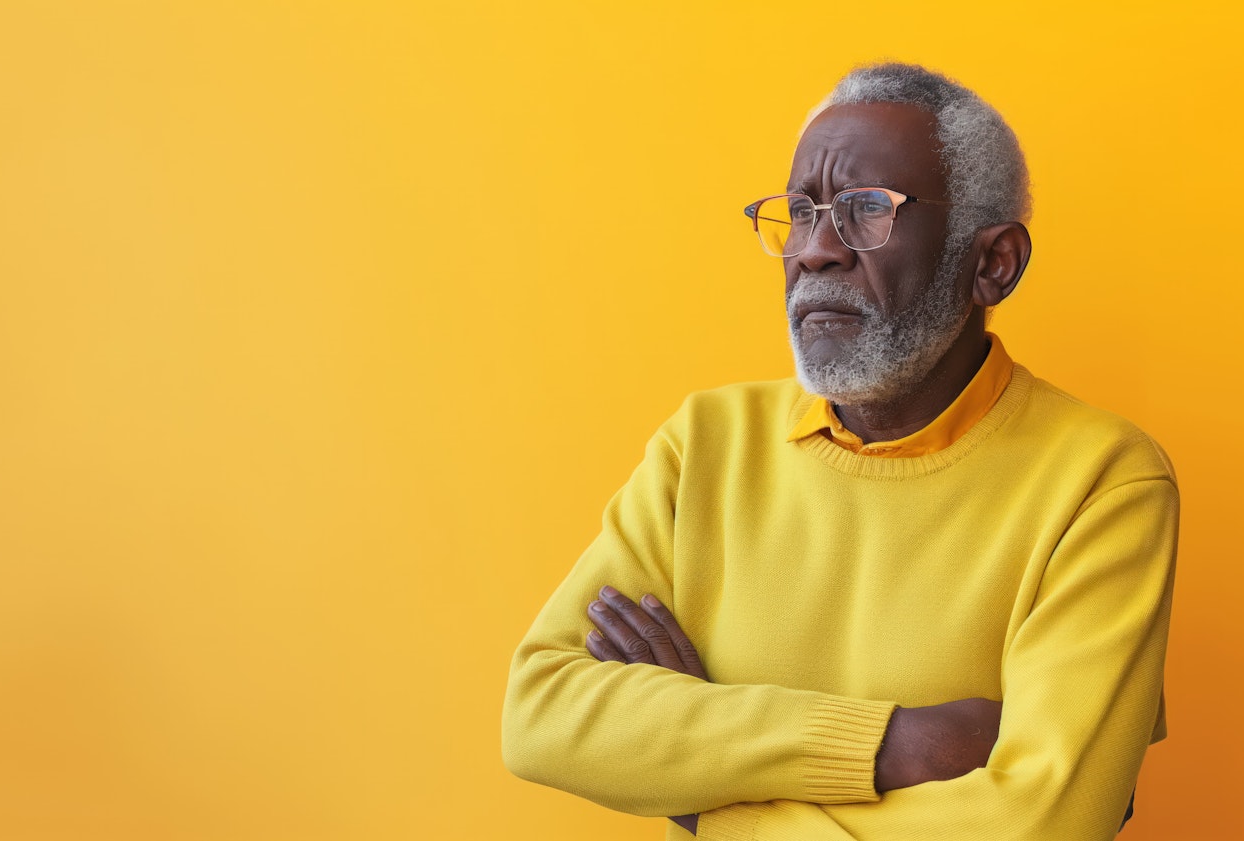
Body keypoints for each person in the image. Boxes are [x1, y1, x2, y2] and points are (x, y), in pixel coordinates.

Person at [500, 63, 1177, 841]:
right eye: (799, 211)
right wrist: (894, 744)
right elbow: (540, 710)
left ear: (993, 263)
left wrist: (703, 795)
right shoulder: (705, 441)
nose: (815, 250)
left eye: (864, 211)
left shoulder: (1105, 481)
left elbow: (1040, 822)